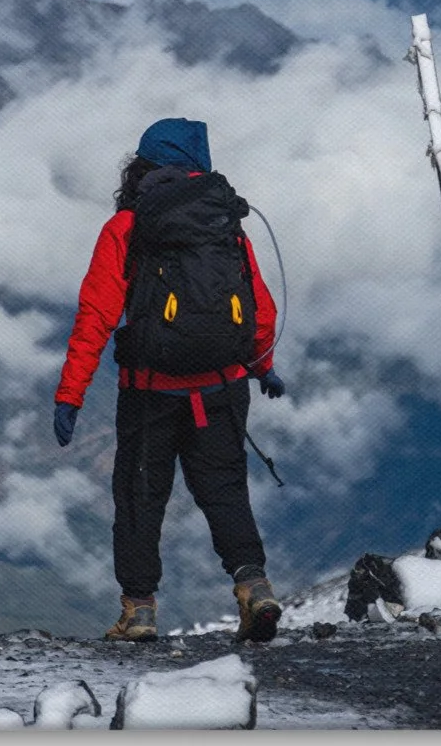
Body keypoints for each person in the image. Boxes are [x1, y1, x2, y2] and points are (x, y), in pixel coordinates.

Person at [53, 117, 286, 644]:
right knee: (225, 489)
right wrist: (263, 365)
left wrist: (71, 394)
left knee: (140, 496)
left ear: (143, 166)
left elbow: (96, 315)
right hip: (223, 385)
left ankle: (139, 611)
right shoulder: (225, 223)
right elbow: (259, 305)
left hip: (150, 389)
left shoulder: (126, 227)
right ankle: (254, 588)